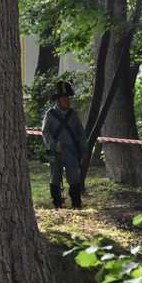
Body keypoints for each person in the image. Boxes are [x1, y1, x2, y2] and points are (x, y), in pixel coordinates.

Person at [42, 81, 88, 209]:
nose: (67, 101)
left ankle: (76, 204)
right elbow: (45, 132)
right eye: (64, 98)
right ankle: (57, 204)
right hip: (54, 151)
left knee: (74, 178)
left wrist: (84, 149)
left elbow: (80, 133)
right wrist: (53, 145)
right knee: (55, 177)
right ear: (58, 100)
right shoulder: (50, 115)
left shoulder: (73, 114)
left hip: (71, 151)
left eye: (68, 98)